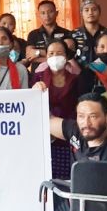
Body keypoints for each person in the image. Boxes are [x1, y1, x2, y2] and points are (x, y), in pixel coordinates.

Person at [33, 39, 79, 180]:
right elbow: (32, 105)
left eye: (59, 53)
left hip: (68, 136)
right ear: (46, 57)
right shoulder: (37, 77)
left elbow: (79, 106)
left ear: (66, 56)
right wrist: (34, 90)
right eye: (51, 53)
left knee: (68, 179)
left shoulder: (76, 79)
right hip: (46, 138)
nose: (55, 56)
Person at [25, 0, 74, 71]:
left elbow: (68, 56)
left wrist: (37, 52)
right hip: (38, 76)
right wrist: (57, 56)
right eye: (43, 13)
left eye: (50, 12)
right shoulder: (33, 34)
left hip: (61, 75)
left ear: (56, 13)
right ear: (38, 15)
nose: (47, 16)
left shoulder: (67, 33)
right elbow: (30, 56)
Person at [70, 0, 107, 67]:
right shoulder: (73, 35)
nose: (90, 13)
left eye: (94, 9)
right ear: (81, 13)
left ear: (99, 12)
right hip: (80, 74)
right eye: (86, 10)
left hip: (104, 73)